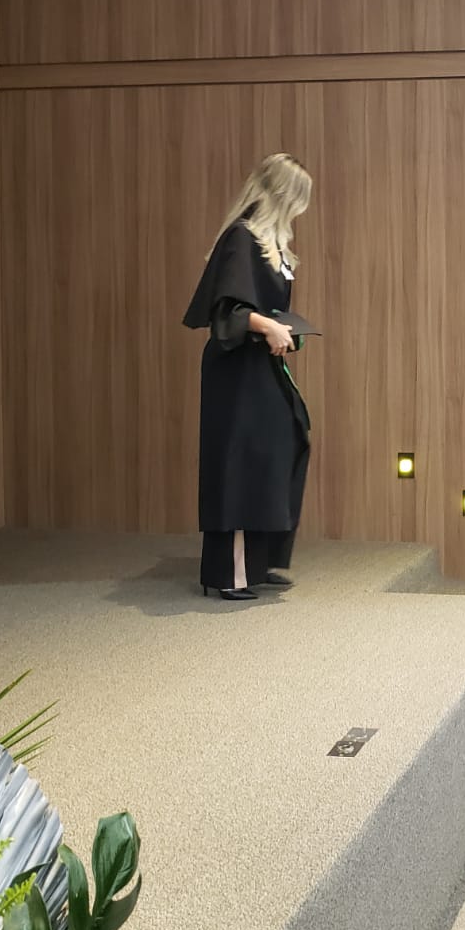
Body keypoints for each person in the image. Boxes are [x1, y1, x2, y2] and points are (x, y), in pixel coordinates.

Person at [183, 154, 313, 600]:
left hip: (260, 365)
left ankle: (257, 560)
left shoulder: (272, 246)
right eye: (297, 199)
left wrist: (284, 330)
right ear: (281, 195)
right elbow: (227, 310)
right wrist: (269, 327)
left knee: (279, 447)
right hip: (236, 371)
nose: (300, 209)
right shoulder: (241, 238)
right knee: (240, 462)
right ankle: (230, 572)